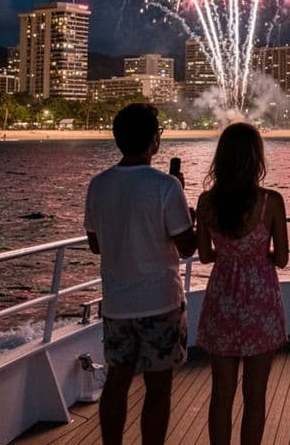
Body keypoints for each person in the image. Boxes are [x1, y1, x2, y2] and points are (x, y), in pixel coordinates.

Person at [83, 104, 197, 445]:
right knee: (158, 388)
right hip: (160, 302)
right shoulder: (166, 186)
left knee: (116, 382)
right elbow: (188, 246)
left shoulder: (98, 185)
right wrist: (187, 209)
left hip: (117, 304)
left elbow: (94, 245)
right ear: (154, 141)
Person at [195, 123, 289, 445]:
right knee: (255, 395)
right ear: (256, 158)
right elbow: (282, 260)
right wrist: (258, 251)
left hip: (222, 300)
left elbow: (205, 257)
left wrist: (230, 254)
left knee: (221, 393)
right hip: (260, 304)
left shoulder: (206, 203)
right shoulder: (271, 202)